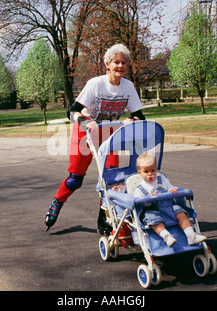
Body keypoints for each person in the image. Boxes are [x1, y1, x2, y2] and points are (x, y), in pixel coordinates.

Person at [45, 44, 145, 233]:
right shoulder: (96, 84)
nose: (120, 66)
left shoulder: (128, 87)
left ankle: (104, 218)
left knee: (112, 179)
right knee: (75, 179)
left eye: (124, 63)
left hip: (109, 133)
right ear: (108, 64)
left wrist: (133, 119)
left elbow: (139, 114)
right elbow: (72, 110)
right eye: (116, 62)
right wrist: (83, 121)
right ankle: (57, 202)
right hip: (85, 132)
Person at [134, 153, 207, 246]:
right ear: (139, 172)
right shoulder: (139, 189)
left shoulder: (163, 180)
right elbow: (139, 204)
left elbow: (170, 188)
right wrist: (148, 199)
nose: (150, 174)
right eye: (146, 171)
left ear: (156, 169)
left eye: (153, 170)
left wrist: (171, 190)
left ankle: (191, 235)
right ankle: (167, 236)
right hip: (152, 210)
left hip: (168, 207)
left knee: (180, 212)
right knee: (151, 217)